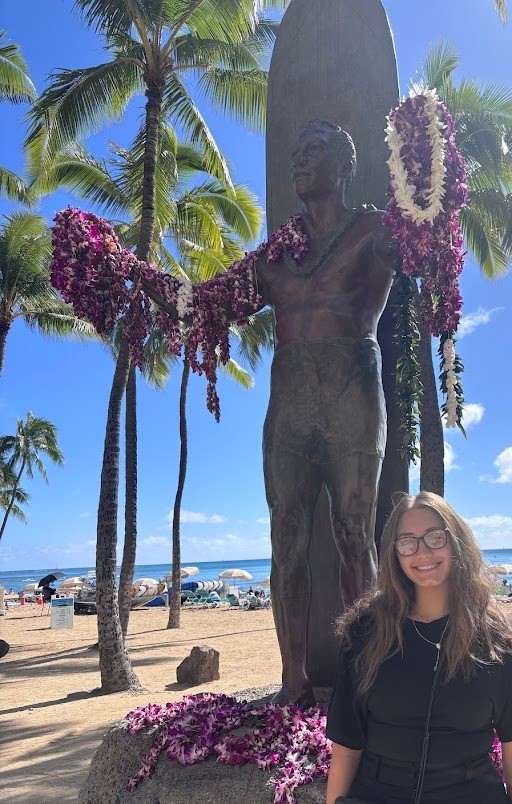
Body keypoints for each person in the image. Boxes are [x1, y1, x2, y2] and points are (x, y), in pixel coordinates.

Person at [146, 120, 398, 705]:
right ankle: (294, 681)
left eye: (313, 151)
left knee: (353, 532)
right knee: (286, 536)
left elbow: (429, 249)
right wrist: (130, 273)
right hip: (289, 402)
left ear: (344, 164)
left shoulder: (374, 231)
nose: (299, 161)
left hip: (353, 391)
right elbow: (202, 307)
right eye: (295, 153)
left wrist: (429, 166)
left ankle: (370, 680)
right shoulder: (276, 256)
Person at [317, 492, 512, 804]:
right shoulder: (365, 634)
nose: (422, 552)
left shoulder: (499, 639)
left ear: (456, 540)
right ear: (393, 554)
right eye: (407, 541)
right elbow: (345, 756)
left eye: (435, 536)